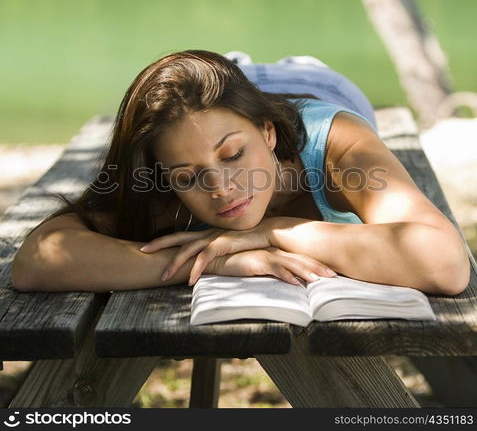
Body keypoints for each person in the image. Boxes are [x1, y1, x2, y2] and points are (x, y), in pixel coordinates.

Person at [11, 50, 469, 294]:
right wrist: (216, 262)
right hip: (231, 99)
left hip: (317, 84)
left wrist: (275, 231)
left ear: (268, 134)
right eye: (189, 177)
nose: (222, 188)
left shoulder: (338, 145)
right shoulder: (163, 183)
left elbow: (446, 263)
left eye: (233, 156)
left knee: (248, 88)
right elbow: (36, 262)